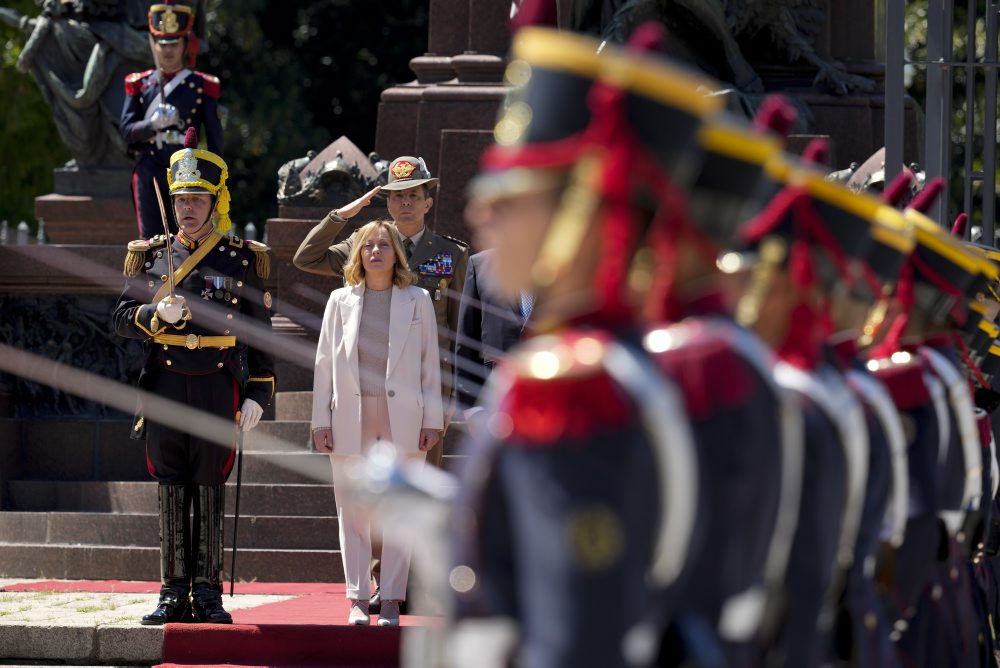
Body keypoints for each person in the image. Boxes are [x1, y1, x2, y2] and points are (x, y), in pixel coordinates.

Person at [113, 128, 274, 625]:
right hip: (163, 381)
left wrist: (257, 394)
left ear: (214, 202)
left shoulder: (242, 259)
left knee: (208, 483)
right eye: (181, 199)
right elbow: (119, 319)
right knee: (170, 484)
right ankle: (170, 591)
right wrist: (155, 316)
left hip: (214, 382)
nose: (187, 208)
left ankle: (207, 593)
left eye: (197, 199)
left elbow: (260, 335)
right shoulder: (152, 256)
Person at [293, 156, 468, 469]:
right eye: (398, 195)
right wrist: (341, 215)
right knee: (359, 491)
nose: (406, 202)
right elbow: (306, 258)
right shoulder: (362, 245)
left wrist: (456, 390)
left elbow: (459, 327)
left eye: (414, 195)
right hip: (362, 390)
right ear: (388, 204)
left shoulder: (451, 253)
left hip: (425, 387)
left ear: (428, 203)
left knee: (421, 486)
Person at [310, 220, 443, 627]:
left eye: (384, 245)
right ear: (358, 254)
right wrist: (320, 421)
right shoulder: (339, 300)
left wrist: (432, 418)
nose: (375, 252)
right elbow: (324, 363)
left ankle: (391, 599)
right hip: (350, 415)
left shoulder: (418, 299)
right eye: (368, 246)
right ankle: (355, 597)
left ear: (396, 254)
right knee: (352, 510)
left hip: (404, 417)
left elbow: (430, 365)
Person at [121, 2, 222, 238]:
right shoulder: (140, 84)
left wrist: (217, 181)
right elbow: (126, 130)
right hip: (150, 169)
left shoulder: (201, 85)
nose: (168, 50)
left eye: (175, 43)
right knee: (151, 241)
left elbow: (215, 140)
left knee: (187, 239)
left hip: (188, 174)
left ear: (185, 44)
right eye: (162, 43)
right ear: (153, 45)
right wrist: (152, 125)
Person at [453, 248, 530, 438]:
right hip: (494, 398)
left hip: (554, 395)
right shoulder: (480, 263)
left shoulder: (567, 263)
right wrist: (472, 408)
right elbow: (467, 337)